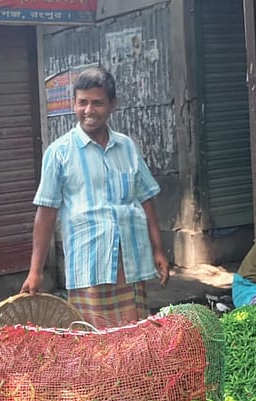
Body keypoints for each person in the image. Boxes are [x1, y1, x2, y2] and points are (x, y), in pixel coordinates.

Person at [20, 66, 170, 328]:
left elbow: (146, 199)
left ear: (112, 104)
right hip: (89, 264)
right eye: (82, 103)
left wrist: (158, 250)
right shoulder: (59, 153)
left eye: (97, 103)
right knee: (93, 342)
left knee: (133, 337)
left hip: (130, 261)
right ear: (74, 104)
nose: (89, 111)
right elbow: (46, 214)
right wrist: (36, 271)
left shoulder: (127, 147)